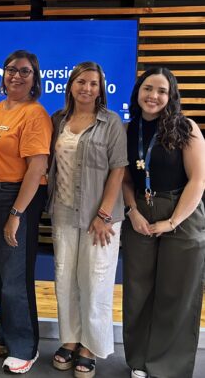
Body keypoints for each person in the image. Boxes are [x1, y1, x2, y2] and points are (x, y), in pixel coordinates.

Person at [121, 67, 205, 378]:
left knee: (177, 292)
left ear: (171, 97)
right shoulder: (128, 129)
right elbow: (125, 179)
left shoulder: (186, 128)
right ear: (138, 92)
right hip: (140, 213)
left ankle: (167, 367)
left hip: (181, 213)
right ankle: (139, 361)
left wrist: (172, 222)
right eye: (148, 88)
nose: (153, 96)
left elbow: (197, 181)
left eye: (161, 91)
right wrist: (132, 211)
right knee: (138, 290)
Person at [47, 61, 127, 378]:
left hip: (100, 218)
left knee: (95, 282)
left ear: (100, 89)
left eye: (93, 83)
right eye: (81, 82)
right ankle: (69, 339)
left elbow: (118, 169)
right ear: (71, 85)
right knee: (65, 279)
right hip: (63, 212)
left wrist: (104, 214)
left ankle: (90, 346)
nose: (87, 88)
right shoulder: (58, 120)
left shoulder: (111, 122)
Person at [0, 50, 52, 375]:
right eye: (11, 69)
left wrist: (16, 213)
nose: (16, 76)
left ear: (34, 78)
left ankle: (25, 346)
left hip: (19, 197)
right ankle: (7, 332)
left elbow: (37, 169)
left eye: (24, 71)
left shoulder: (35, 114)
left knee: (14, 277)